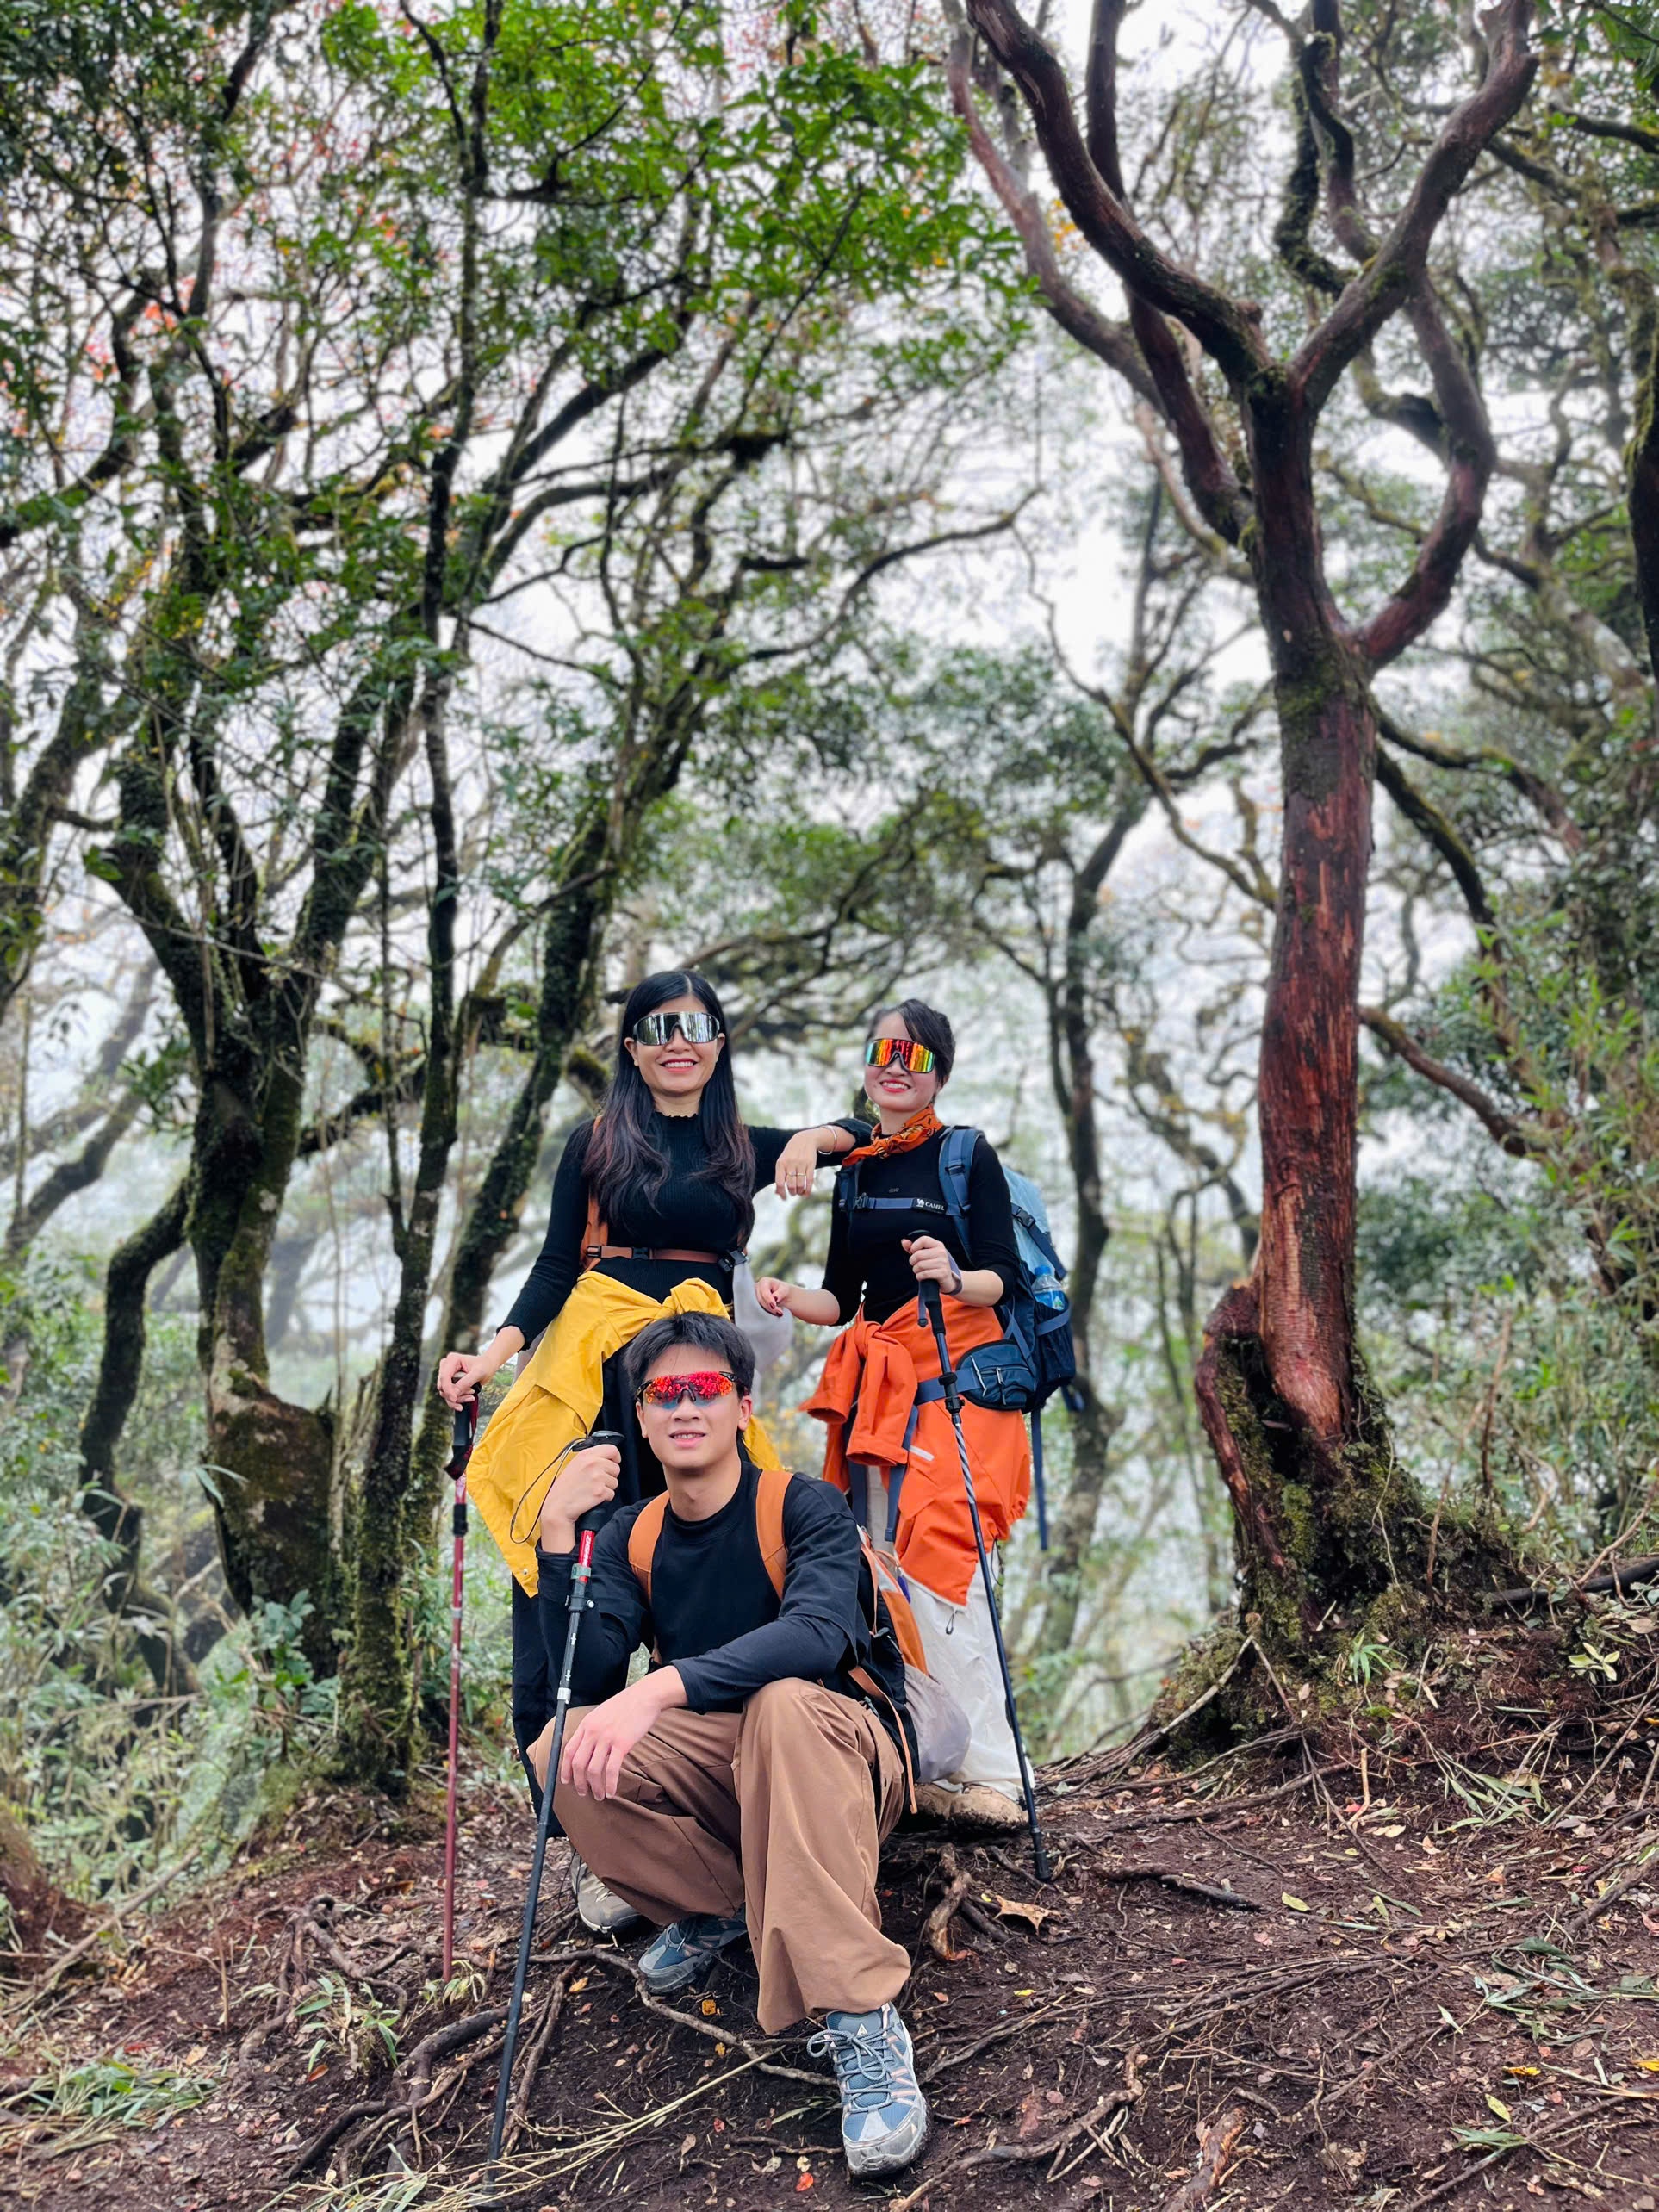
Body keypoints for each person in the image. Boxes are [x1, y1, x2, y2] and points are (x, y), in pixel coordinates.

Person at [437, 969, 856, 1927]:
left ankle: (680, 1778)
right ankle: (580, 1808)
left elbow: (865, 1131)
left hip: (689, 1369)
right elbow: (552, 1266)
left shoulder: (735, 1147)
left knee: (679, 1553)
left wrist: (805, 1141)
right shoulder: (596, 1144)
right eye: (657, 1027)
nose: (679, 1040)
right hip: (592, 1360)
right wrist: (491, 1358)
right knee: (564, 1543)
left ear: (718, 1043)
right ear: (631, 1047)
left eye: (698, 1025)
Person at [530, 1310, 928, 2183]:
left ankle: (860, 2016)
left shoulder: (802, 1506)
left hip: (841, 1748)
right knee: (560, 1744)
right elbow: (585, 1668)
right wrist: (557, 1541)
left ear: (743, 1405)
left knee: (782, 1702)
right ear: (639, 1417)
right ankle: (725, 1905)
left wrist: (662, 1686)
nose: (684, 1407)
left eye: (704, 1388)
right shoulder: (636, 1534)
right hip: (731, 1772)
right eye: (663, 1392)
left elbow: (819, 1635)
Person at [753, 998, 1033, 1829]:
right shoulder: (861, 1168)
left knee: (945, 1560)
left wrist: (951, 1270)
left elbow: (1002, 1281)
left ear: (938, 1072)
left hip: (959, 1388)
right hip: (878, 1400)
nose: (894, 1064)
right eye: (882, 1050)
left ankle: (997, 1772)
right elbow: (843, 1297)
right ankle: (932, 1758)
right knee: (888, 1571)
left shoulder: (965, 1155)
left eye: (912, 1054)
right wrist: (786, 1296)